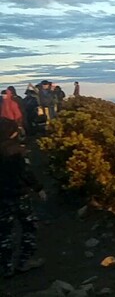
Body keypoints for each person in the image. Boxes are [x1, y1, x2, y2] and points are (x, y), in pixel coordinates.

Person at [0, 118, 47, 278]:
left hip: (2, 197)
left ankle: (5, 267)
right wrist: (38, 188)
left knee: (5, 232)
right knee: (29, 226)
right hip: (19, 195)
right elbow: (25, 173)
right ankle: (24, 261)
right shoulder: (16, 152)